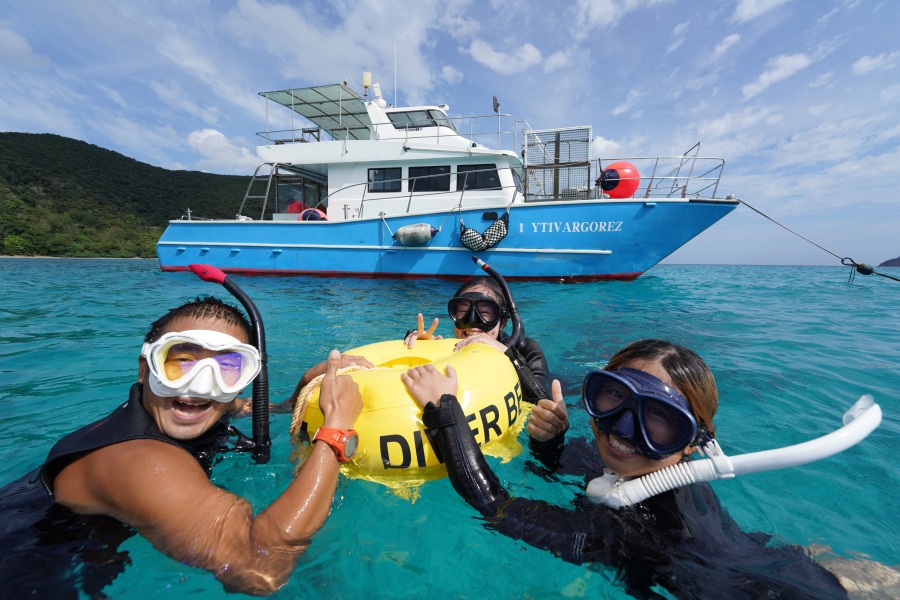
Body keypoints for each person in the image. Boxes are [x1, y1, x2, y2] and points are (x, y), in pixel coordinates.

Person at [401, 339, 849, 599]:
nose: (623, 431)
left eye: (660, 420)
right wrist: (551, 443)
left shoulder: (639, 529)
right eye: (612, 398)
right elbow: (595, 471)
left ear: (695, 443)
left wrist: (445, 410)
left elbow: (495, 507)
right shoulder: (649, 472)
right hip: (782, 560)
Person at [0, 296, 363, 597]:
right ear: (146, 369)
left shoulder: (205, 405)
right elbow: (259, 567)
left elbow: (254, 408)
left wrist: (303, 388)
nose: (201, 385)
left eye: (227, 367)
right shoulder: (138, 462)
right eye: (180, 361)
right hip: (29, 573)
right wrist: (336, 429)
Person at [404, 276, 568, 444]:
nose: (472, 322)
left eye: (484, 313)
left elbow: (544, 405)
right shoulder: (451, 350)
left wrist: (509, 355)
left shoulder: (525, 350)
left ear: (502, 322)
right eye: (463, 311)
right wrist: (419, 347)